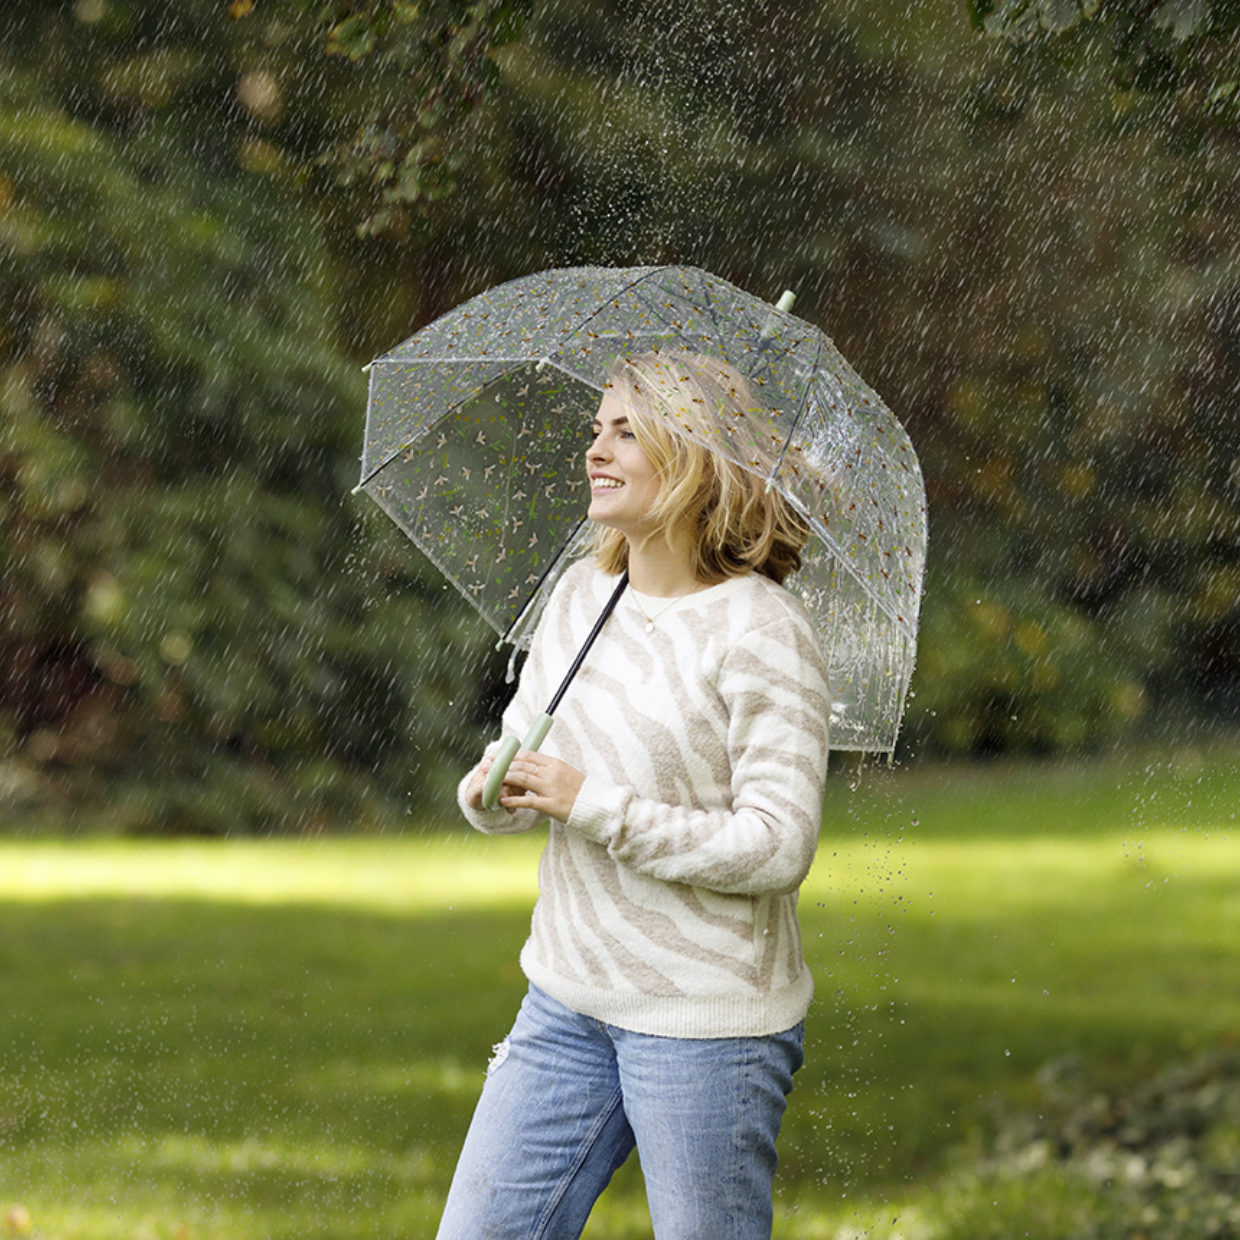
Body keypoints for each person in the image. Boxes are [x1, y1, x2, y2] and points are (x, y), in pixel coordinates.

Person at [438, 350, 831, 1240]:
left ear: (692, 461)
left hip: (705, 1025)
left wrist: (594, 806)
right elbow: (525, 742)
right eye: (595, 429)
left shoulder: (762, 630)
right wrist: (492, 788)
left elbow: (776, 844)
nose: (595, 451)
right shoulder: (583, 596)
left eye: (626, 432)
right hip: (566, 1000)